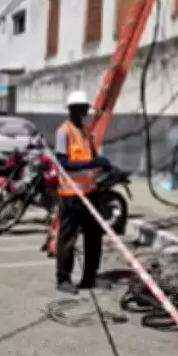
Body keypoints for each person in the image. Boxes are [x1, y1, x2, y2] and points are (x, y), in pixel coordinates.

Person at [54, 90, 112, 295]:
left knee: (94, 236)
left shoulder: (86, 132)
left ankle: (89, 277)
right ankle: (63, 278)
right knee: (68, 238)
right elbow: (63, 163)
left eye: (85, 109)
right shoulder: (64, 132)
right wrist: (90, 163)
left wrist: (104, 166)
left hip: (90, 192)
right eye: (81, 109)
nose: (85, 113)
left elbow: (93, 157)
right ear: (73, 110)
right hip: (72, 195)